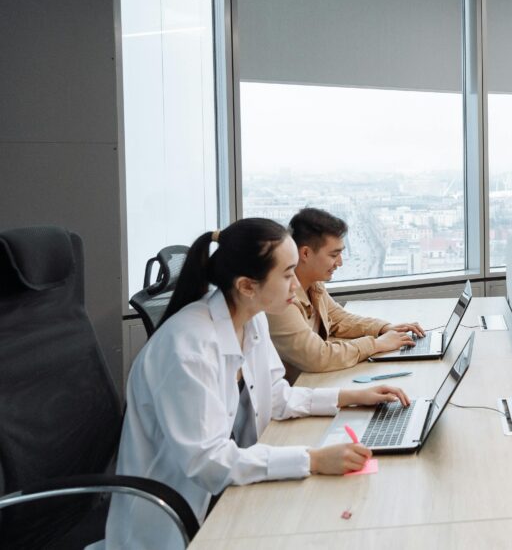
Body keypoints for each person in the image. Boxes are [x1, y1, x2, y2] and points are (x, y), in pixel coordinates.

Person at [99, 218, 410, 549]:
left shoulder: (251, 319)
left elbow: (277, 397)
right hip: (180, 520)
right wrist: (313, 460)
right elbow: (207, 462)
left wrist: (350, 396)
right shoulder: (188, 347)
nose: (296, 285)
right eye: (288, 274)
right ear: (247, 285)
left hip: (227, 492)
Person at [267, 208, 425, 383]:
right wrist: (376, 344)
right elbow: (317, 356)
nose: (340, 262)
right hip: (293, 397)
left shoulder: (313, 284)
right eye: (334, 255)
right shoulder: (281, 300)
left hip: (313, 385)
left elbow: (338, 319)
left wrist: (383, 329)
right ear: (305, 254)